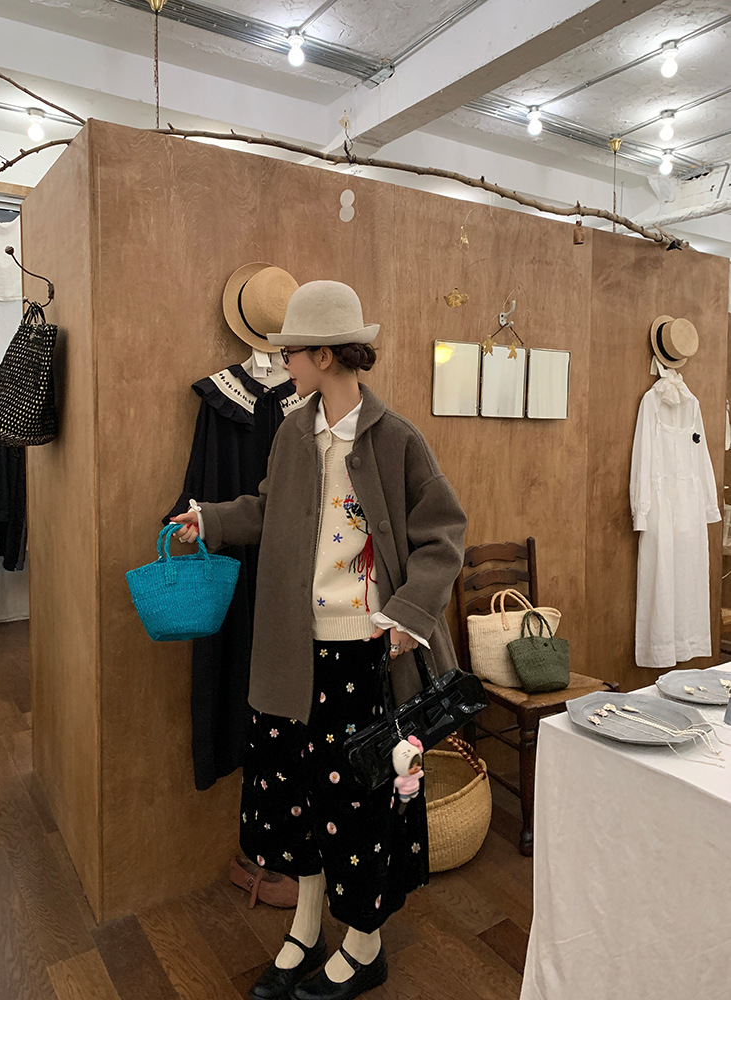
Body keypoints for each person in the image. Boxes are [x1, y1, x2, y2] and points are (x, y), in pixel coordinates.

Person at [171, 280, 466, 999]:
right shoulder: (291, 432)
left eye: (293, 353)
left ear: (326, 355)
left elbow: (445, 534)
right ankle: (306, 929)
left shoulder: (397, 439)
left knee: (359, 807)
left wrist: (408, 613)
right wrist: (210, 519)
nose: (285, 364)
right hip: (290, 653)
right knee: (296, 800)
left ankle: (364, 946)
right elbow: (268, 508)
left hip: (364, 656)